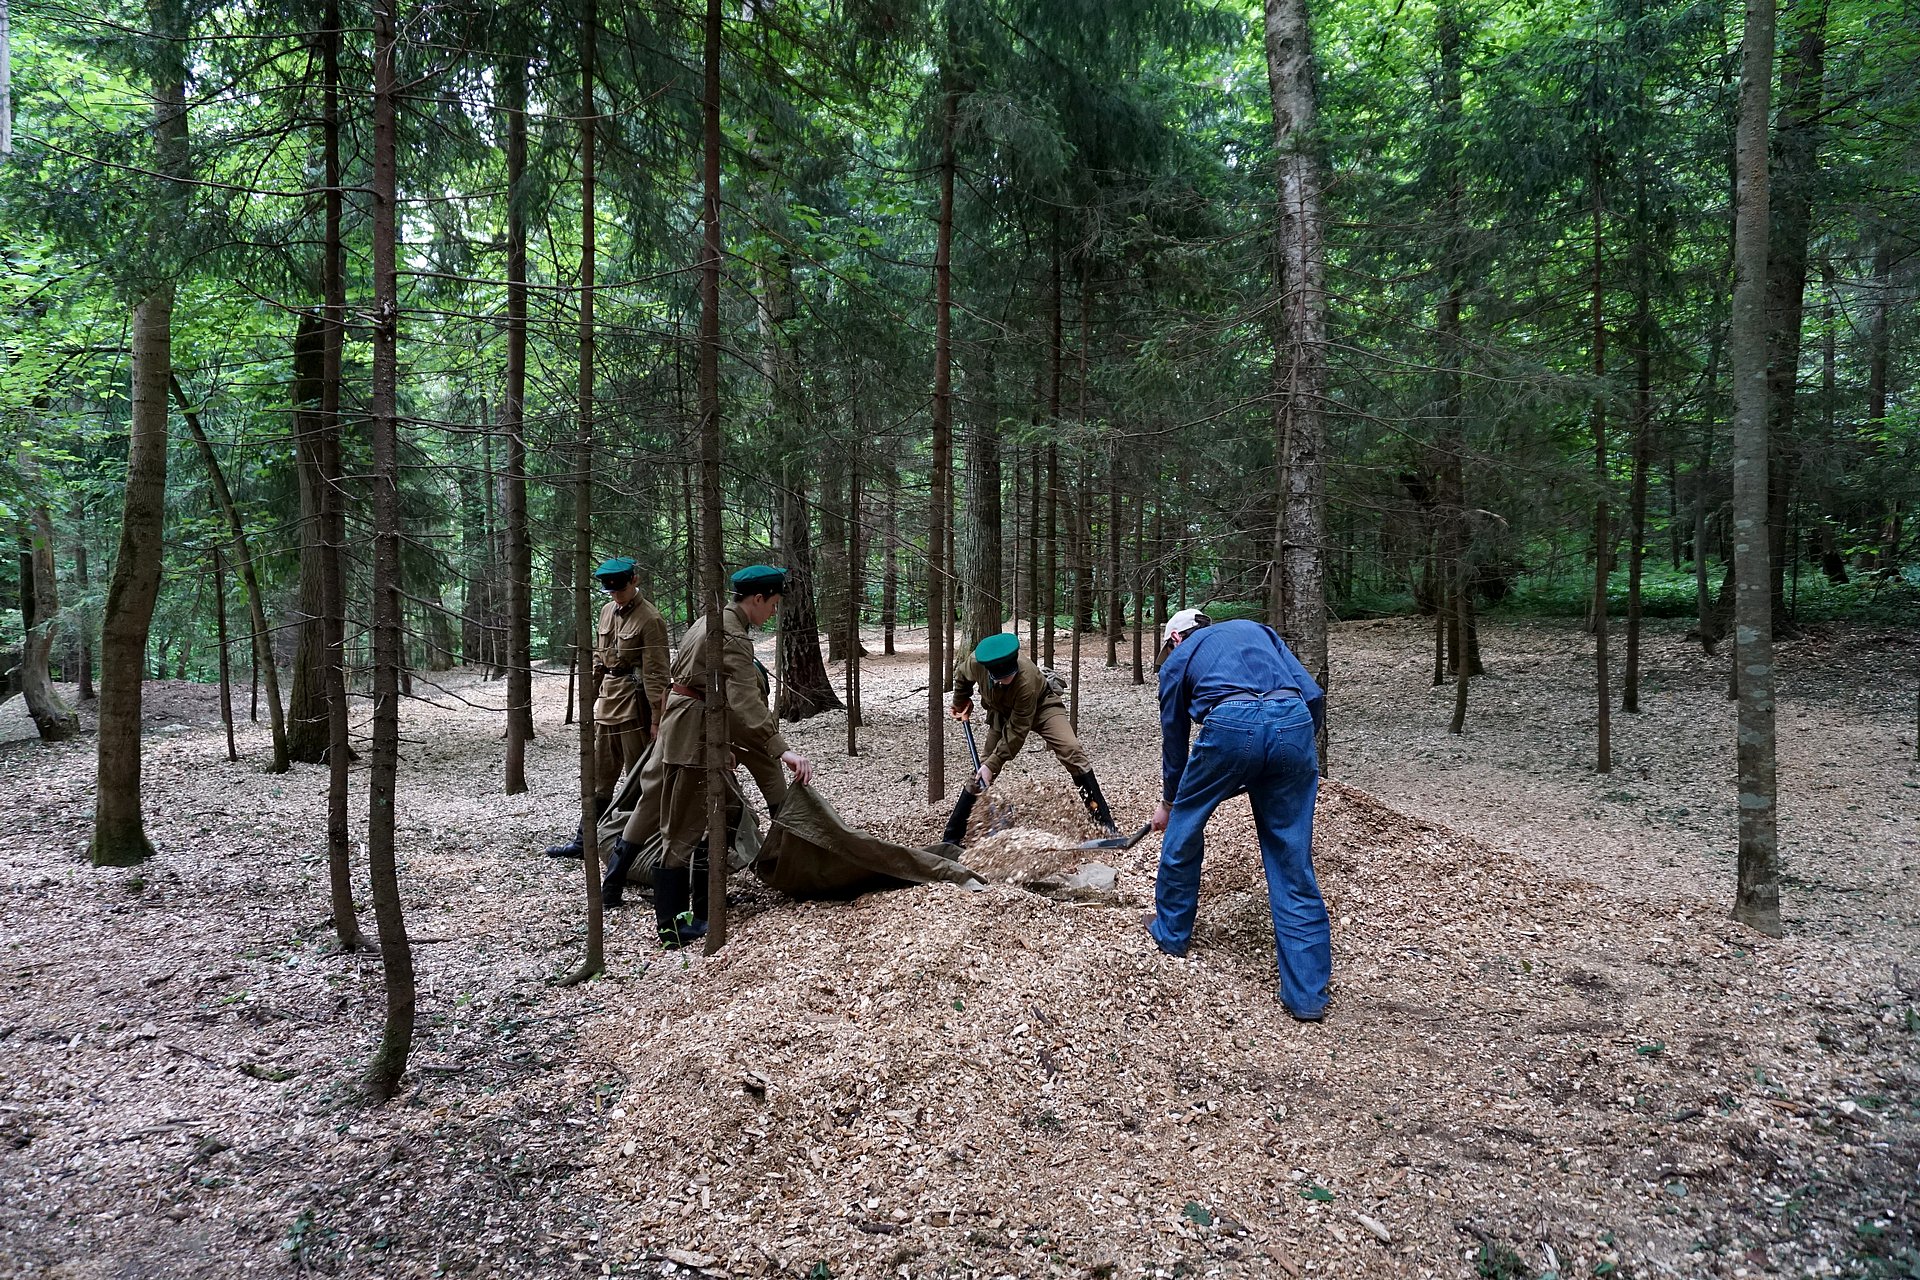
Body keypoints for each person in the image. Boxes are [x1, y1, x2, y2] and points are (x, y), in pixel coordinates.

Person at [613, 564, 812, 946]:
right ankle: (672, 930)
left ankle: (696, 911)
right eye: (772, 604)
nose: (773, 612)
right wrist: (782, 750)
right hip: (693, 739)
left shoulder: (710, 620)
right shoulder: (730, 635)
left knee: (717, 816)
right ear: (757, 599)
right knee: (682, 829)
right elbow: (745, 701)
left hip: (690, 729)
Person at [1146, 608, 1330, 1021]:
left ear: (1175, 638)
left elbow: (1174, 738)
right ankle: (1306, 996)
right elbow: (1313, 695)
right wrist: (1290, 747)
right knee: (1292, 860)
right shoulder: (1256, 630)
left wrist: (1171, 803)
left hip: (1230, 724)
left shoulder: (1178, 658)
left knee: (1184, 831)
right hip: (1294, 722)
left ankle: (1171, 932)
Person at [544, 557, 670, 858]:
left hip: (634, 706)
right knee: (600, 775)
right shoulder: (606, 611)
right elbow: (599, 660)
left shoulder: (650, 619)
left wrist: (657, 719)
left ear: (634, 581)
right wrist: (588, 701)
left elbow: (656, 673)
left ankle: (629, 846)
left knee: (636, 778)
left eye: (621, 589)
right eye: (611, 591)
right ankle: (585, 840)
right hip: (607, 703)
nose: (616, 595)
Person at [943, 632, 1119, 846]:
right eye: (1001, 679)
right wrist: (960, 702)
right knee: (983, 769)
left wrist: (994, 763)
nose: (1007, 682)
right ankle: (952, 836)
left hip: (1042, 707)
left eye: (1010, 677)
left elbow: (1018, 730)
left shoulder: (1026, 681)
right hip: (1002, 712)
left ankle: (1104, 822)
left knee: (1071, 750)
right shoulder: (976, 663)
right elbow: (962, 677)